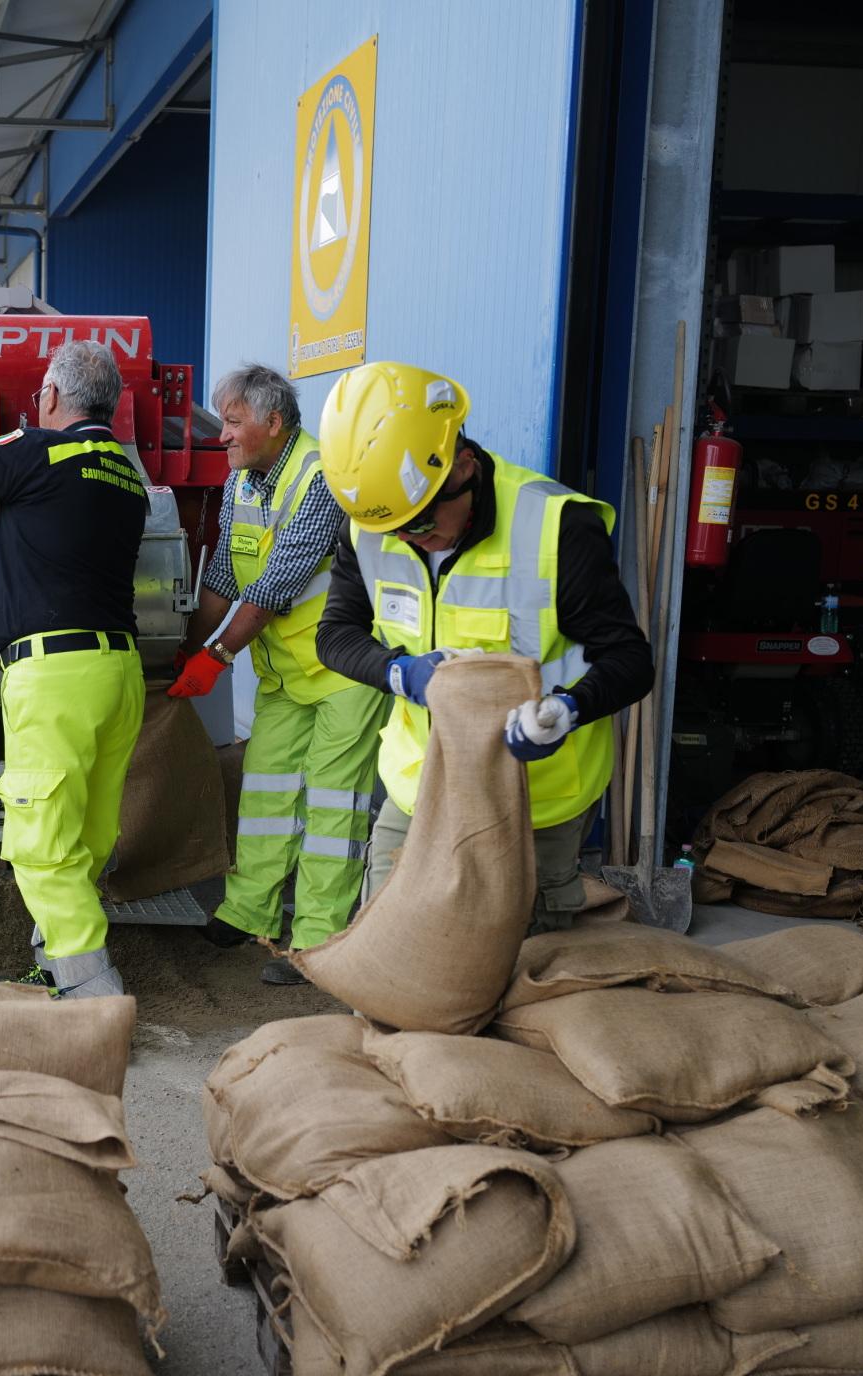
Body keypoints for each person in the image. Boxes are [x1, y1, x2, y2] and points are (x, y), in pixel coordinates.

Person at [313, 360, 654, 933]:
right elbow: (336, 635)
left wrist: (566, 711)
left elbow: (630, 661)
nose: (406, 540)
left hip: (535, 802)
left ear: (463, 466)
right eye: (393, 528)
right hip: (417, 790)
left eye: (420, 523)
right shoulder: (374, 525)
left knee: (516, 974)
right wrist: (402, 674)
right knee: (390, 955)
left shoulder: (555, 527)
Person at [0, 334, 148, 998]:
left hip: (56, 679)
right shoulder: (124, 472)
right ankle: (57, 964)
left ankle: (93, 997)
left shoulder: (37, 451)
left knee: (42, 844)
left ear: (48, 396)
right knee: (86, 835)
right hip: (116, 674)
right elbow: (32, 534)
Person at [170, 362, 389, 986]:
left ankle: (319, 941)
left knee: (331, 805)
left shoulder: (320, 477)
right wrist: (187, 647)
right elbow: (222, 580)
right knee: (266, 790)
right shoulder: (243, 483)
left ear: (273, 421)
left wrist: (216, 657)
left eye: (234, 423)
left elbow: (277, 582)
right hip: (287, 674)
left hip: (344, 671)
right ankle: (249, 911)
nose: (224, 435)